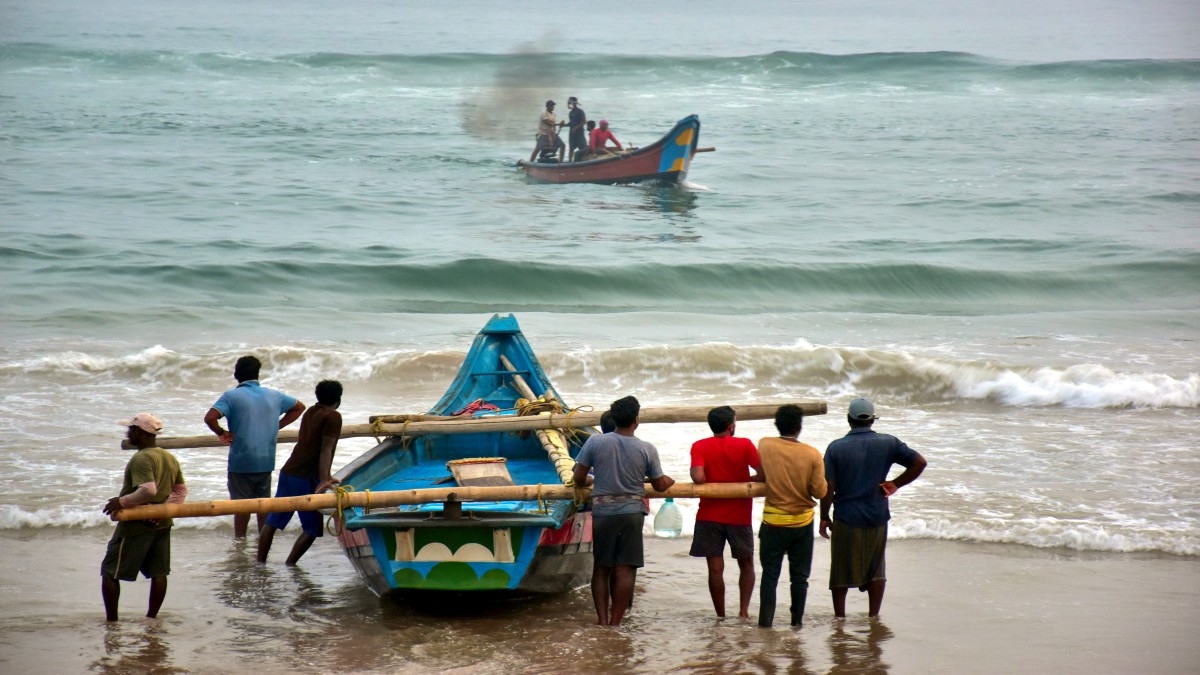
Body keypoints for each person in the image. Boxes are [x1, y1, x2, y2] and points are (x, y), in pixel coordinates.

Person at [572, 395, 675, 626]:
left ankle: (602, 620)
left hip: (603, 511)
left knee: (601, 568)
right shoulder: (647, 448)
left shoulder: (595, 442)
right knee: (625, 569)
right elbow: (659, 484)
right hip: (632, 512)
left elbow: (578, 477)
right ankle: (616, 622)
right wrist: (670, 481)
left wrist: (590, 481)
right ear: (636, 420)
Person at [819, 398, 927, 618]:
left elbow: (829, 486)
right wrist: (896, 483)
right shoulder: (888, 443)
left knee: (840, 569)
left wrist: (824, 516)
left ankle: (840, 618)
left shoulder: (836, 447)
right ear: (871, 420)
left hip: (846, 516)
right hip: (877, 514)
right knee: (876, 569)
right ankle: (873, 616)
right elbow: (919, 462)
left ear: (849, 420)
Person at [204, 355, 305, 538]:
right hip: (266, 459)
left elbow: (210, 418)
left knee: (241, 507)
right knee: (263, 505)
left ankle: (240, 543)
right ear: (257, 374)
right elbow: (299, 407)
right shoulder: (274, 395)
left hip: (241, 461)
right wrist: (277, 425)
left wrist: (221, 433)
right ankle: (263, 542)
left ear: (236, 375)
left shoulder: (231, 396)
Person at [101, 413, 187, 621]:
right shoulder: (168, 457)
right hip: (162, 523)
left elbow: (148, 490)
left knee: (110, 571)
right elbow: (180, 491)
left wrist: (120, 502)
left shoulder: (141, 458)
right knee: (159, 572)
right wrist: (162, 511)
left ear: (140, 432)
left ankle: (112, 622)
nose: (127, 432)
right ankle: (152, 620)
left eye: (131, 429)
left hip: (136, 524)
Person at [755, 404, 827, 628]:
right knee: (799, 578)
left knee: (769, 576)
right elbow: (820, 491)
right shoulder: (812, 454)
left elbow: (763, 473)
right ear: (800, 427)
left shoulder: (765, 444)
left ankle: (765, 623)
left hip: (773, 522)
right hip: (801, 524)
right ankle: (796, 623)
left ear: (777, 424)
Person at [257, 379, 343, 565]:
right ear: (338, 398)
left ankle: (260, 563)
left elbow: (312, 445)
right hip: (305, 478)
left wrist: (325, 476)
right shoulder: (333, 416)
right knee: (312, 528)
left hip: (289, 473)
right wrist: (323, 480)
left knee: (272, 522)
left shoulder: (311, 412)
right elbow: (326, 449)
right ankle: (290, 564)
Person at [689, 405, 762, 619]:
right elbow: (764, 473)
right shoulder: (745, 444)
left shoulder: (700, 446)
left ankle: (720, 615)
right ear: (731, 426)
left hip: (709, 514)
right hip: (739, 515)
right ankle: (743, 612)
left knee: (714, 568)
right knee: (746, 564)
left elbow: (699, 478)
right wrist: (749, 480)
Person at [565, 96, 587, 162]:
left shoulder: (580, 111)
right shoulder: (571, 112)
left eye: (570, 103)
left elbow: (584, 121)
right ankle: (569, 162)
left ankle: (584, 161)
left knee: (582, 148)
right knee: (571, 148)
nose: (569, 104)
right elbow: (571, 123)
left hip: (579, 134)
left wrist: (576, 128)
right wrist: (563, 125)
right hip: (572, 134)